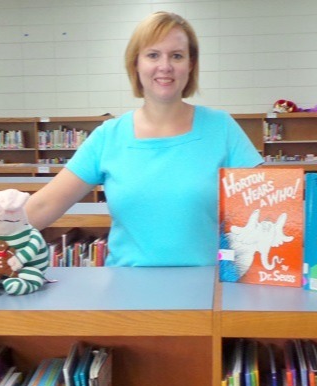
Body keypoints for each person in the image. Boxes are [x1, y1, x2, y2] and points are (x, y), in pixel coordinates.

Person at [25, 11, 262, 266]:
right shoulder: (108, 136)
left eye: (177, 56)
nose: (165, 66)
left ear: (190, 64)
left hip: (208, 292)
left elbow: (271, 204)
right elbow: (44, 206)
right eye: (153, 55)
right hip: (128, 296)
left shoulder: (222, 128)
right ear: (135, 63)